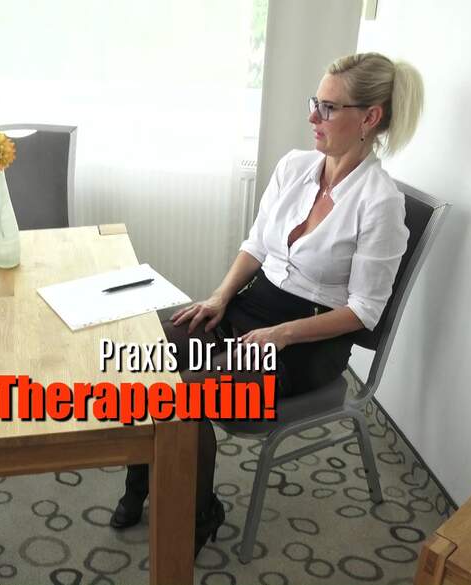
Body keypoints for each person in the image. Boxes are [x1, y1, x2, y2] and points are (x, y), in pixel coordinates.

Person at [110, 52, 424, 557]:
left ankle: (198, 513)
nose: (313, 117)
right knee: (144, 349)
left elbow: (364, 311)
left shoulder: (380, 202)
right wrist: (219, 296)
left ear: (370, 117)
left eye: (329, 108)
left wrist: (281, 335)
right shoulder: (295, 167)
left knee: (187, 394)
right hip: (252, 308)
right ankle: (142, 482)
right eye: (314, 102)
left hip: (310, 339)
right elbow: (257, 245)